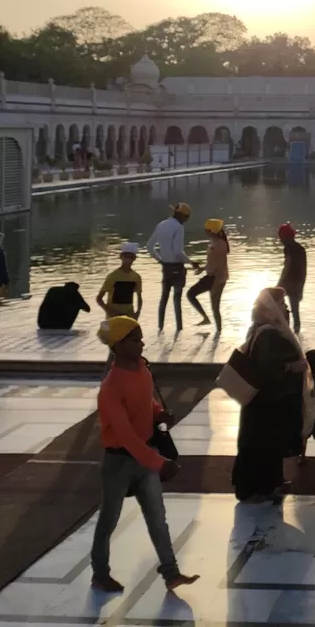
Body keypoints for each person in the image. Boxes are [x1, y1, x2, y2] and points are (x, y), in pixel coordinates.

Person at [90, 316, 198, 594]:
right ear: (119, 344)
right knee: (109, 521)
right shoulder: (110, 386)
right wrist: (160, 463)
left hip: (145, 455)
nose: (142, 343)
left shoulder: (142, 368)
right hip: (119, 462)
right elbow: (125, 436)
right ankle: (100, 574)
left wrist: (158, 412)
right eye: (135, 339)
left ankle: (171, 572)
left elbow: (144, 401)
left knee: (157, 518)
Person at [232, 288, 310, 501]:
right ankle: (257, 488)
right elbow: (267, 366)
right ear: (270, 308)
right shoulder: (267, 333)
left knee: (265, 445)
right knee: (261, 446)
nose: (286, 308)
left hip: (266, 402)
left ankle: (266, 486)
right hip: (266, 402)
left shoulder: (263, 329)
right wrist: (291, 367)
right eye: (281, 304)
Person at [147, 203, 200, 333]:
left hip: (166, 267)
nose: (187, 220)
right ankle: (179, 329)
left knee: (164, 298)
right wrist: (191, 262)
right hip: (177, 267)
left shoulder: (161, 225)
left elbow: (149, 247)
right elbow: (177, 252)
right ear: (182, 216)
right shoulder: (178, 227)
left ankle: (160, 327)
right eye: (187, 217)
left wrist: (160, 260)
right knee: (177, 299)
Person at [187, 219, 230, 332]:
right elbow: (212, 263)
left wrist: (216, 285)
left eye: (206, 229)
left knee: (214, 306)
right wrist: (202, 269)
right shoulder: (214, 242)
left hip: (216, 279)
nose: (205, 231)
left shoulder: (219, 245)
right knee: (192, 294)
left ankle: (218, 331)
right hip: (211, 277)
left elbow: (219, 266)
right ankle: (209, 322)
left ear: (211, 231)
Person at [98, 243, 144, 318]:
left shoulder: (136, 277)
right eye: (126, 257)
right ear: (121, 257)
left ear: (134, 258)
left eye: (131, 257)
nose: (128, 260)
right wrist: (109, 311)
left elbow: (139, 296)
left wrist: (137, 312)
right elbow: (99, 298)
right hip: (113, 317)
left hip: (129, 316)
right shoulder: (113, 276)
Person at [276, 223, 307, 333]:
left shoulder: (288, 248)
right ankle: (296, 332)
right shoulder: (301, 248)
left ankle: (284, 331)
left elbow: (287, 266)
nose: (279, 239)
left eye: (280, 236)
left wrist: (279, 283)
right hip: (298, 282)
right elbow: (304, 269)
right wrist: (302, 285)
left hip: (288, 282)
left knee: (278, 307)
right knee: (295, 311)